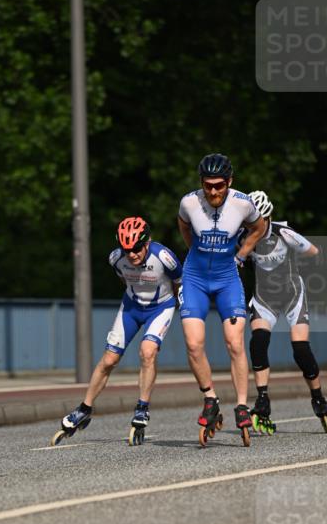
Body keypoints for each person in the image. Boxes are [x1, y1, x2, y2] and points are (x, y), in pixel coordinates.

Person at [54, 217, 182, 446]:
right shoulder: (116, 259)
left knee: (148, 351)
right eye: (127, 250)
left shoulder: (164, 257)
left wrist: (173, 304)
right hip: (132, 307)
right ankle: (84, 408)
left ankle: (142, 408)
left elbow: (180, 284)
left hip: (161, 307)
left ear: (147, 242)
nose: (132, 254)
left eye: (136, 248)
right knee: (109, 359)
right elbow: (124, 280)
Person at [177, 153, 268, 446]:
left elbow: (260, 227)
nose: (213, 191)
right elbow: (184, 226)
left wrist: (242, 255)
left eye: (219, 185)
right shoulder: (189, 202)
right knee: (193, 344)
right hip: (195, 278)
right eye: (208, 185)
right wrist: (195, 251)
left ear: (229, 181)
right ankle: (210, 398)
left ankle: (241, 405)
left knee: (234, 342)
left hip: (227, 278)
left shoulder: (243, 203)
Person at [244, 190, 327, 433]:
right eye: (250, 222)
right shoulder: (243, 237)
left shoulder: (284, 233)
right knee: (258, 342)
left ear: (268, 216)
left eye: (258, 222)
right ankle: (262, 399)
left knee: (300, 349)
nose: (255, 227)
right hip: (265, 297)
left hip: (293, 293)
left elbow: (314, 252)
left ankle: (317, 396)